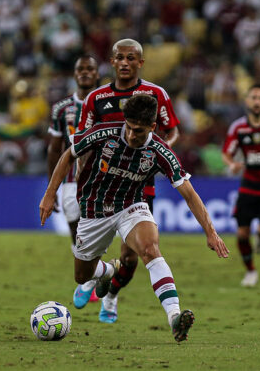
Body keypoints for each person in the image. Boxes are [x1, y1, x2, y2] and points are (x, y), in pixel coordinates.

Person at [40, 94, 229, 342]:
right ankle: (108, 271)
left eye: (138, 130)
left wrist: (211, 232)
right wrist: (49, 194)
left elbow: (190, 195)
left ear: (152, 127)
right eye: (128, 127)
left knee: (150, 249)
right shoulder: (103, 132)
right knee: (82, 276)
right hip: (94, 210)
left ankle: (174, 317)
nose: (130, 135)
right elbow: (68, 155)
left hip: (131, 205)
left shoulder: (160, 151)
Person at [77, 38, 180, 324]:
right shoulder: (96, 99)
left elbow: (171, 132)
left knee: (132, 256)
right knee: (87, 253)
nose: (125, 63)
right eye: (119, 57)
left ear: (140, 62)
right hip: (100, 187)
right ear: (111, 62)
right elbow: (83, 145)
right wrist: (80, 177)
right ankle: (95, 274)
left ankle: (110, 295)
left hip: (137, 186)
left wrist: (158, 151)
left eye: (131, 58)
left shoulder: (156, 93)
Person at [47, 55, 99, 305]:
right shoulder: (61, 108)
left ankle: (95, 277)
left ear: (97, 73)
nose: (85, 72)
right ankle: (89, 274)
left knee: (97, 226)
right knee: (74, 225)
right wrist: (51, 188)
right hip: (69, 178)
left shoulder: (106, 103)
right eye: (81, 68)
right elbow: (54, 149)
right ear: (75, 73)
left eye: (90, 68)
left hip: (100, 175)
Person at [221, 84, 260, 287]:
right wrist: (232, 164)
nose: (257, 101)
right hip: (249, 185)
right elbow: (226, 153)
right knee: (242, 234)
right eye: (253, 97)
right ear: (247, 101)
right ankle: (251, 272)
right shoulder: (238, 127)